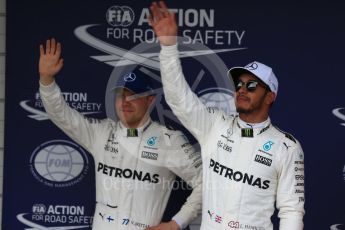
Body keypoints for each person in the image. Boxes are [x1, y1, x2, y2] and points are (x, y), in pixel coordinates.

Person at [149, 1, 305, 230]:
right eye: (239, 84)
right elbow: (178, 99)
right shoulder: (214, 125)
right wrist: (169, 48)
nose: (242, 89)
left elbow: (291, 211)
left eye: (252, 85)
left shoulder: (287, 147)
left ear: (270, 96)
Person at [38, 38, 203, 230]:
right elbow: (60, 115)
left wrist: (177, 224)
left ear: (149, 100)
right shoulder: (100, 133)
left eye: (133, 95)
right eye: (120, 95)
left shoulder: (168, 141)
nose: (125, 101)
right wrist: (47, 80)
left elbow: (206, 182)